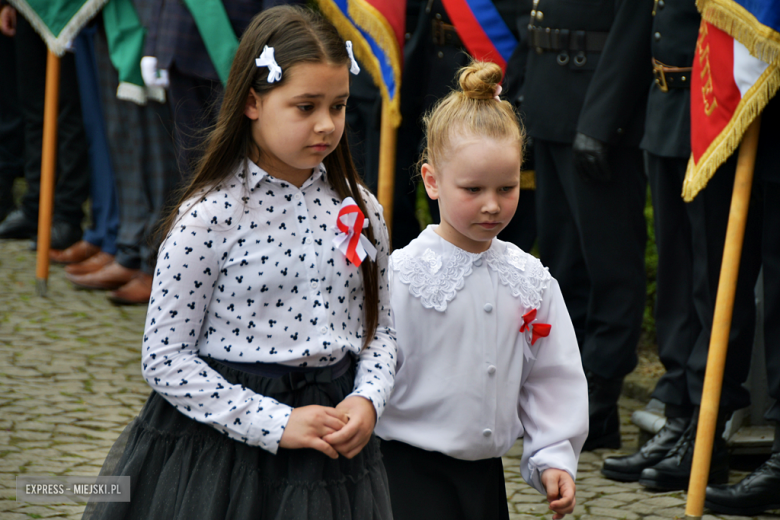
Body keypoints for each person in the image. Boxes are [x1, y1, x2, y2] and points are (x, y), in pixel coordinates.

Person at [81, 6, 396, 519]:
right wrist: (275, 423)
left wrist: (368, 398)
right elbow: (164, 357)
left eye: (338, 106)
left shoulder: (360, 209)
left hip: (333, 445)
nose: (326, 124)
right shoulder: (210, 217)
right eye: (305, 106)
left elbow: (379, 331)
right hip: (226, 453)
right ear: (252, 101)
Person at [375, 61, 588, 520]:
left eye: (507, 188)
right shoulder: (402, 276)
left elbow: (552, 375)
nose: (492, 205)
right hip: (405, 477)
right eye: (472, 189)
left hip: (485, 480)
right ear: (432, 181)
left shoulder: (530, 278)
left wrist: (554, 456)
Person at [520, 0, 654, 450]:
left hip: (599, 112)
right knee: (562, 263)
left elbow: (635, 26)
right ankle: (564, 388)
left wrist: (601, 121)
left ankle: (600, 394)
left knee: (610, 264)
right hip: (551, 101)